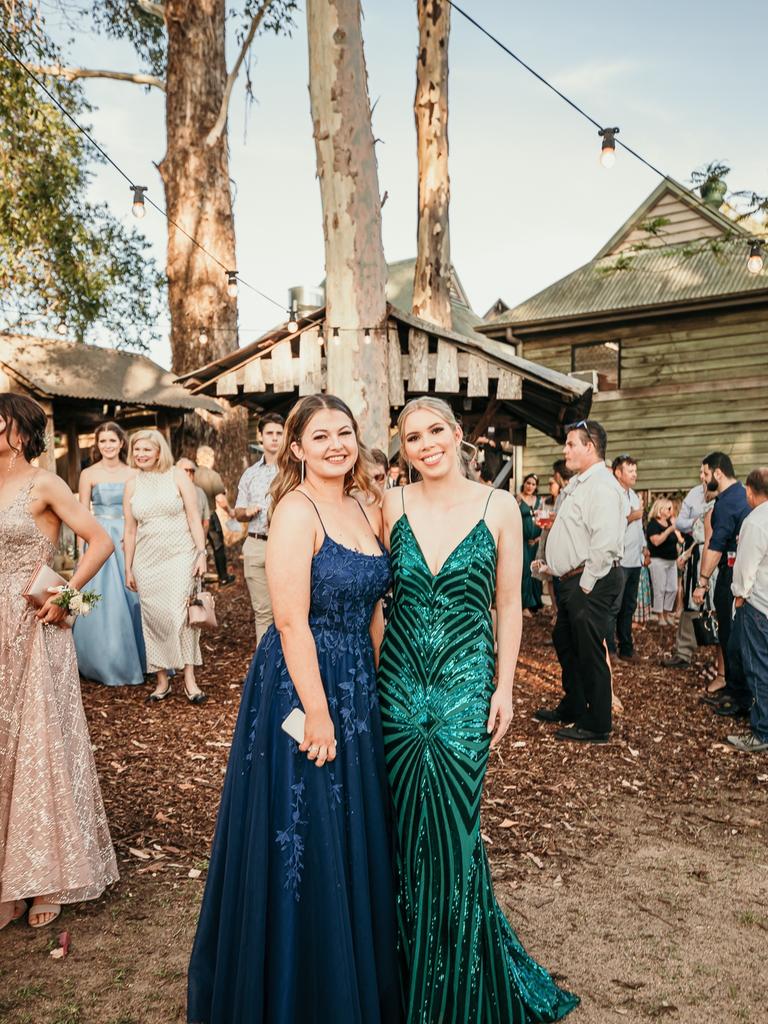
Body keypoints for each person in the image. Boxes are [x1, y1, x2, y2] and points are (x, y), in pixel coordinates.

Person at [188, 395, 400, 1024]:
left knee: (350, 825)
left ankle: (351, 972)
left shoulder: (366, 506)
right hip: (302, 682)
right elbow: (288, 621)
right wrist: (317, 710)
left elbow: (377, 609)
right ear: (297, 448)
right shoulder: (293, 512)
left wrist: (379, 686)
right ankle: (298, 985)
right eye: (321, 436)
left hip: (358, 681)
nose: (337, 444)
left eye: (346, 433)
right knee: (306, 824)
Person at [378, 396, 578, 1024]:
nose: (426, 444)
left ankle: (461, 980)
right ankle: (405, 972)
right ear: (403, 449)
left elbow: (510, 606)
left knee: (455, 832)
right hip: (399, 688)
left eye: (436, 430)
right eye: (413, 438)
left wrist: (505, 687)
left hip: (466, 686)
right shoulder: (391, 504)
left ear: (458, 434)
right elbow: (380, 598)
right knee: (404, 831)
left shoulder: (501, 507)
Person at [0, 394, 118, 931]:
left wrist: (66, 597)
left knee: (37, 743)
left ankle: (43, 876)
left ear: (20, 432)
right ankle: (7, 879)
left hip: (30, 623)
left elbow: (100, 541)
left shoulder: (45, 483)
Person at [534, 419, 625, 744]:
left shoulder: (602, 485)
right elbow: (577, 534)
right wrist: (550, 567)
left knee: (589, 650)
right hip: (572, 580)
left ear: (590, 447)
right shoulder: (581, 484)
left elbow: (605, 542)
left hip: (592, 581)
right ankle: (574, 702)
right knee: (566, 641)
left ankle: (598, 722)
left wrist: (585, 585)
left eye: (571, 444)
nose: (565, 450)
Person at [123, 431, 208, 704]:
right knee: (155, 617)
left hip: (180, 555)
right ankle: (162, 680)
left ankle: (189, 679)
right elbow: (130, 530)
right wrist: (128, 568)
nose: (141, 455)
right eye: (137, 450)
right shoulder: (132, 483)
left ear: (159, 452)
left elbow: (194, 517)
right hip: (146, 560)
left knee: (180, 615)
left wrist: (201, 553)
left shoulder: (177, 476)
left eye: (146, 449)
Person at [73, 421, 146, 686]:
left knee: (132, 596)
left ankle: (141, 657)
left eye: (112, 441)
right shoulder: (89, 474)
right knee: (103, 601)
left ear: (121, 443)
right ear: (97, 445)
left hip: (127, 535)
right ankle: (101, 660)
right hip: (99, 537)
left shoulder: (133, 473)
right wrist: (83, 549)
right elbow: (81, 514)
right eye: (102, 441)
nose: (107, 446)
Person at [692, 451, 751, 719]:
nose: (703, 479)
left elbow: (715, 547)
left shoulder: (727, 502)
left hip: (732, 575)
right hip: (741, 573)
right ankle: (735, 688)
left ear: (718, 473)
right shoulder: (740, 495)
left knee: (729, 633)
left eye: (705, 473)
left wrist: (702, 582)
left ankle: (738, 696)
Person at [727, 467, 768, 752]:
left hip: (758, 604)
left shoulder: (755, 521)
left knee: (757, 667)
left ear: (751, 492)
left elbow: (745, 567)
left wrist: (739, 596)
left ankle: (762, 731)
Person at [234, 413, 284, 641]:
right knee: (263, 612)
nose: (274, 438)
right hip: (256, 544)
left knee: (286, 611)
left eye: (279, 434)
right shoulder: (250, 474)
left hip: (286, 546)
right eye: (270, 433)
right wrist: (247, 511)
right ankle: (265, 670)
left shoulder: (296, 471)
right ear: (260, 437)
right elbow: (238, 512)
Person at [662, 468, 708, 668]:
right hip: (695, 551)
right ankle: (684, 652)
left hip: (720, 556)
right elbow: (680, 522)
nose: (701, 476)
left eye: (705, 473)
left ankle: (719, 661)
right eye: (700, 472)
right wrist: (698, 522)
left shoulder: (728, 496)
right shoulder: (695, 494)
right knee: (690, 603)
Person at [606, 454, 646, 662]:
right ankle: (610, 650)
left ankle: (627, 648)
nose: (634, 475)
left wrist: (645, 547)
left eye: (635, 471)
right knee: (615, 606)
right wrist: (631, 517)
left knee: (629, 606)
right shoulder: (613, 494)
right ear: (618, 473)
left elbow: (639, 527)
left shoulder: (634, 494)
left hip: (635, 559)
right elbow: (611, 524)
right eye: (630, 471)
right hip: (619, 561)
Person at [195, 446, 235, 587]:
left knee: (195, 547)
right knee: (217, 546)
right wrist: (230, 511)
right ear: (210, 458)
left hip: (191, 517)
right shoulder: (212, 475)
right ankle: (223, 578)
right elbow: (220, 499)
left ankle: (197, 579)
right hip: (209, 515)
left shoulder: (190, 473)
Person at [646, 498, 683, 626]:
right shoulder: (653, 524)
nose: (670, 511)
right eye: (668, 508)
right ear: (660, 510)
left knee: (673, 588)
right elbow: (656, 541)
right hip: (658, 561)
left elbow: (678, 541)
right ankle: (660, 615)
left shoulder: (669, 522)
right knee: (659, 589)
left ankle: (667, 613)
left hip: (671, 561)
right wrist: (669, 530)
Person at [517, 472, 543, 616]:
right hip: (523, 540)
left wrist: (539, 538)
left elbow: (542, 518)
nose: (530, 486)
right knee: (526, 571)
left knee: (537, 570)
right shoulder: (518, 499)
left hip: (536, 540)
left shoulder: (539, 500)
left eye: (533, 484)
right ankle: (525, 605)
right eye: (528, 483)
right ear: (524, 483)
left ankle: (536, 602)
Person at [178, 458, 211, 531]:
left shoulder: (200, 492)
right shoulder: (171, 492)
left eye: (192, 471)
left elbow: (206, 522)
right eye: (185, 470)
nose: (189, 474)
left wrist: (202, 540)